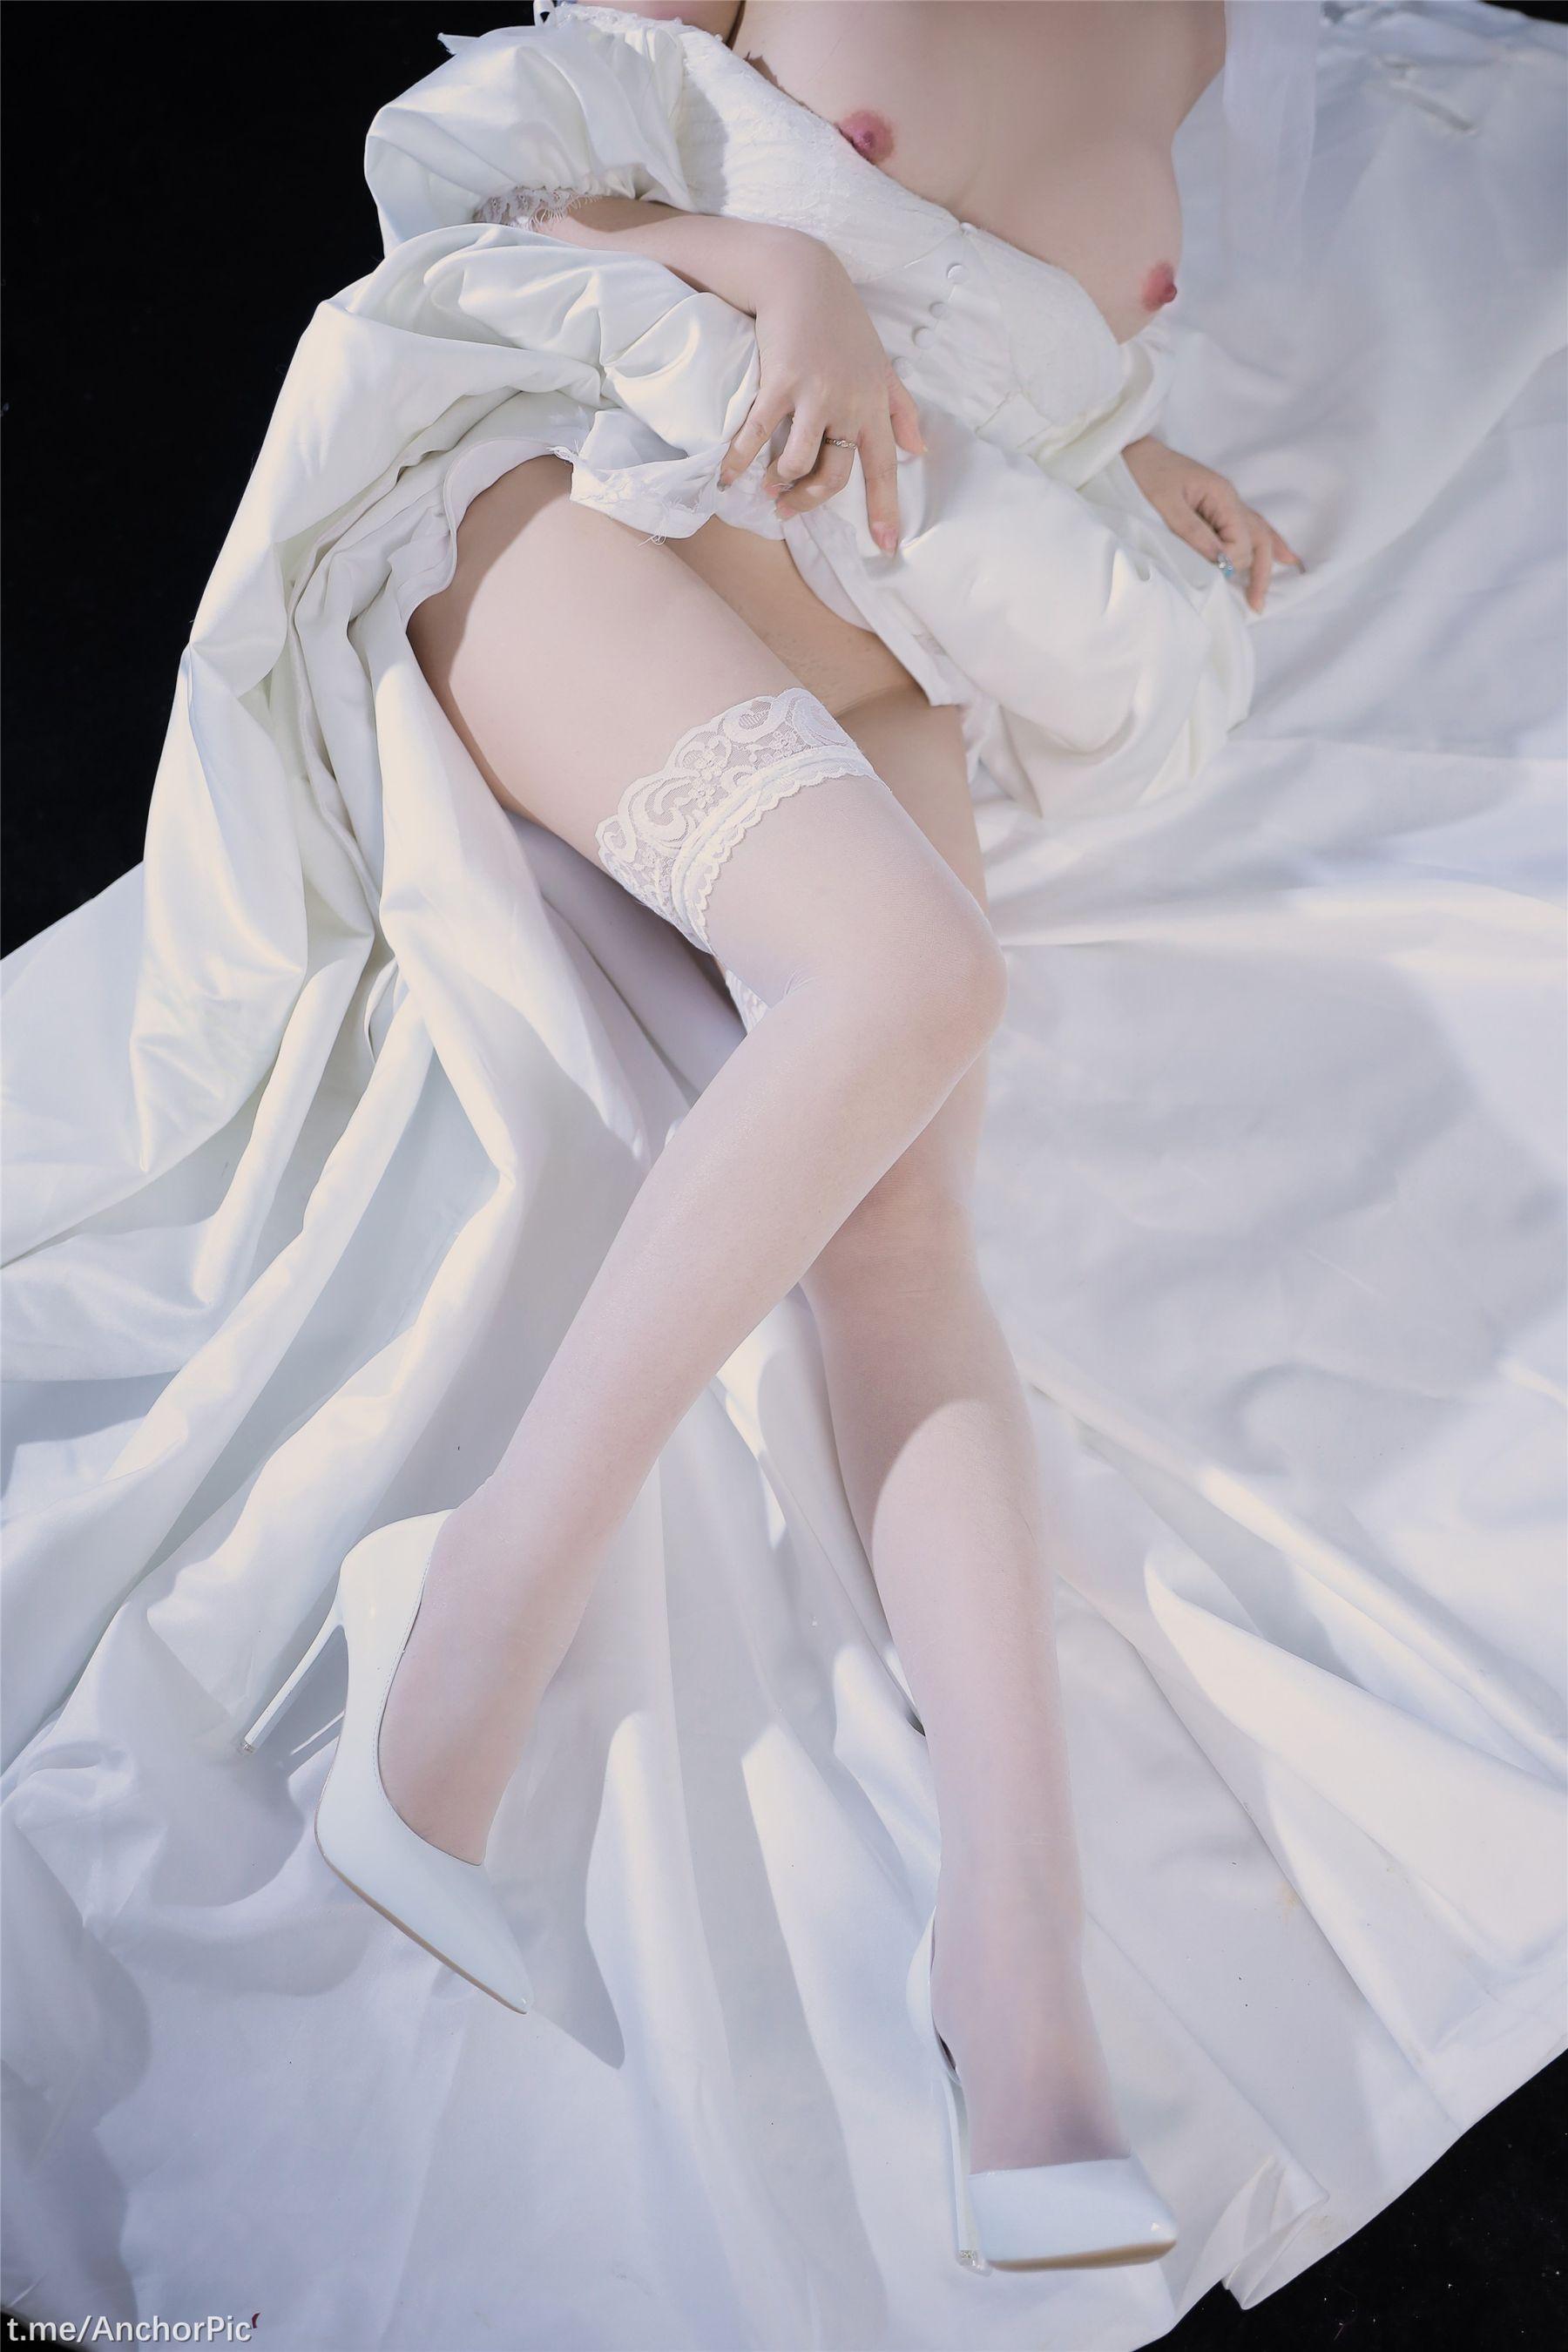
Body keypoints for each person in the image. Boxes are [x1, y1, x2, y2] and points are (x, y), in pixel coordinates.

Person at [245, 0, 1306, 2271]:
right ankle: (468, 1632)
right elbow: (475, 170)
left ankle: (1019, 1993)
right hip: (591, 507)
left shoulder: (1194, 26)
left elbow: (1028, 357)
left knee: (911, 1252)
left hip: (891, 634)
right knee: (914, 979)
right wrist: (774, 265)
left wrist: (1133, 468)